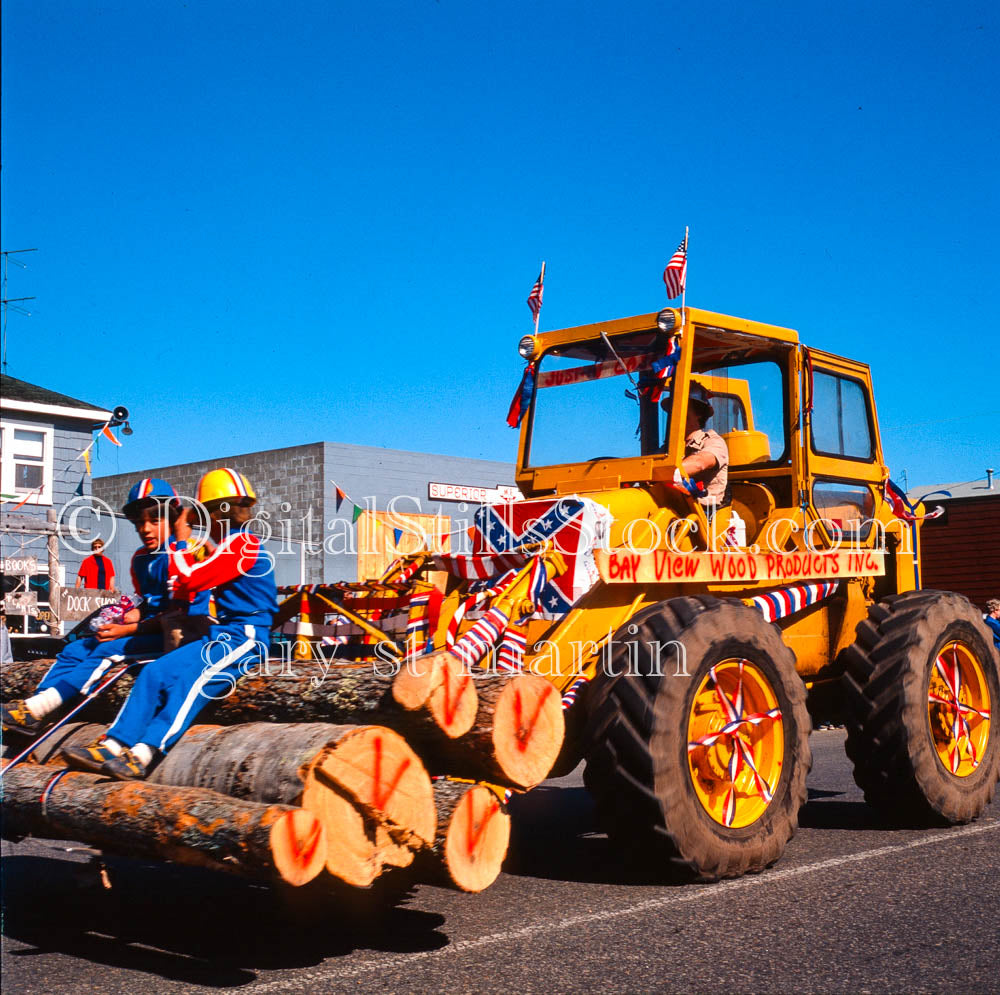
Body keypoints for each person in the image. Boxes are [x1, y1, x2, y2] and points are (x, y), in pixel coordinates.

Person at [62, 468, 278, 780]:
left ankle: (145, 751)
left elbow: (189, 581)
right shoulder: (228, 545)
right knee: (155, 671)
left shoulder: (243, 544)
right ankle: (113, 743)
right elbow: (186, 581)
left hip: (246, 636)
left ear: (217, 514)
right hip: (223, 634)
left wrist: (179, 541)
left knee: (193, 682)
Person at [1, 478, 208, 738]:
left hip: (180, 637)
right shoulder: (141, 558)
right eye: (139, 523)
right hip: (148, 628)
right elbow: (147, 603)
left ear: (174, 519)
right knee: (75, 648)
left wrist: (128, 630)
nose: (146, 529)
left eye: (155, 521)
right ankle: (39, 706)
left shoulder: (185, 552)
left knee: (107, 650)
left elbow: (182, 612)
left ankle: (42, 707)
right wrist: (127, 618)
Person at [666, 383, 729, 515]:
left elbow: (699, 462)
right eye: (673, 409)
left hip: (704, 515)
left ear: (699, 413)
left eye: (681, 407)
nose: (674, 413)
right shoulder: (667, 449)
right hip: (671, 508)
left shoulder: (713, 441)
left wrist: (663, 472)